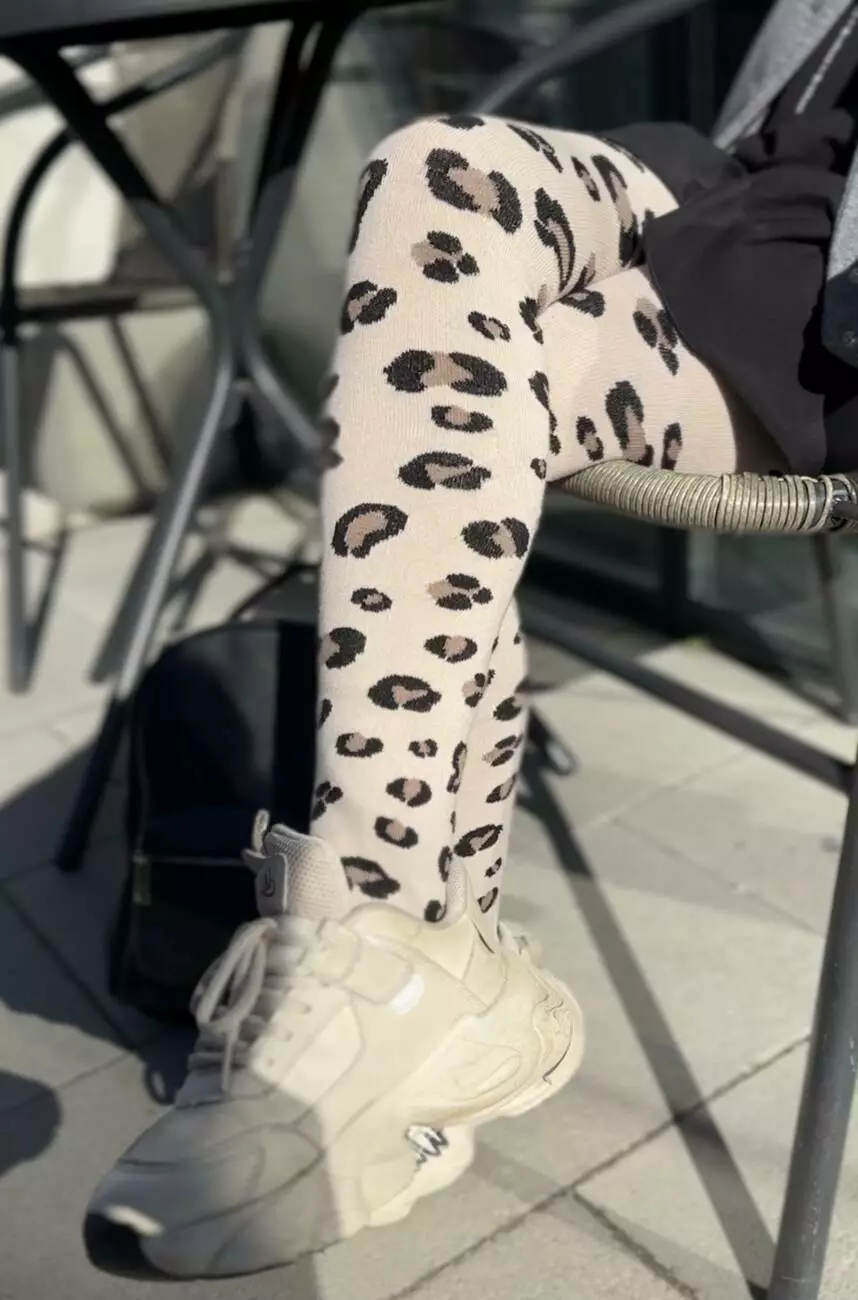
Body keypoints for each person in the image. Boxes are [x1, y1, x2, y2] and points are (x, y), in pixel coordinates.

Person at [83, 0, 858, 1281]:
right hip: (716, 187)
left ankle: (394, 945)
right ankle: (412, 947)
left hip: (816, 312)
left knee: (456, 410)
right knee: (435, 163)